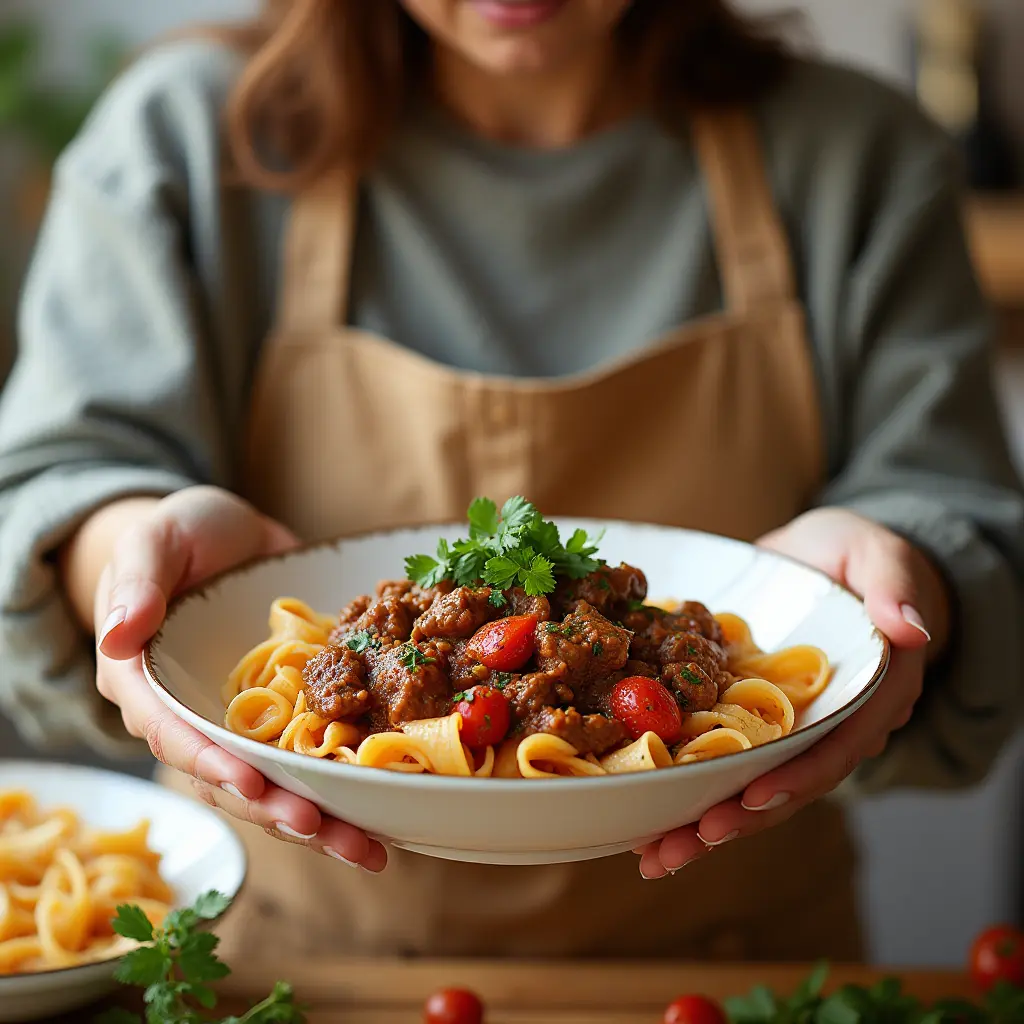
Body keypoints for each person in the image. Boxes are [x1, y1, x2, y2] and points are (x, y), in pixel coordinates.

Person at [1, 0, 1022, 962]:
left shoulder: (858, 154)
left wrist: (891, 585)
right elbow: (59, 483)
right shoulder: (183, 136)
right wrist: (124, 553)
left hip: (739, 964)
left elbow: (948, 516)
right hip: (291, 964)